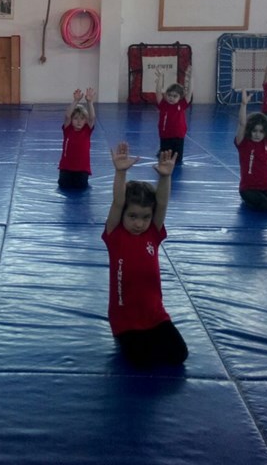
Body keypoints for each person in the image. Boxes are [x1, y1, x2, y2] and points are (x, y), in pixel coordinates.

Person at [102, 141, 188, 368]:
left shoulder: (152, 233)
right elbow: (118, 202)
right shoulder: (115, 235)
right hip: (126, 319)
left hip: (155, 315)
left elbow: (162, 203)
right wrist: (120, 173)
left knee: (179, 354)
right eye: (132, 216)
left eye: (145, 217)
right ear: (123, 215)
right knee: (141, 360)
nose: (139, 223)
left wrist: (165, 177)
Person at [58, 88, 96, 189]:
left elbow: (92, 117)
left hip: (82, 169)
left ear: (85, 121)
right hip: (66, 167)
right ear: (71, 120)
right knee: (63, 185)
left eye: (82, 119)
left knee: (81, 187)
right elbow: (67, 116)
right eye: (75, 119)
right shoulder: (68, 129)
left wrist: (89, 102)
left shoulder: (87, 130)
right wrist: (75, 101)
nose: (79, 122)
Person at [154, 65, 192, 165]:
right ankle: (161, 151)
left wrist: (190, 78)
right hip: (165, 135)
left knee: (178, 160)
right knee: (164, 158)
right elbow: (158, 91)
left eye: (175, 96)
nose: (171, 98)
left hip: (178, 136)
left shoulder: (182, 105)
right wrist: (160, 77)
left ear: (180, 97)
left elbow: (189, 92)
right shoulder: (163, 105)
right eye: (169, 95)